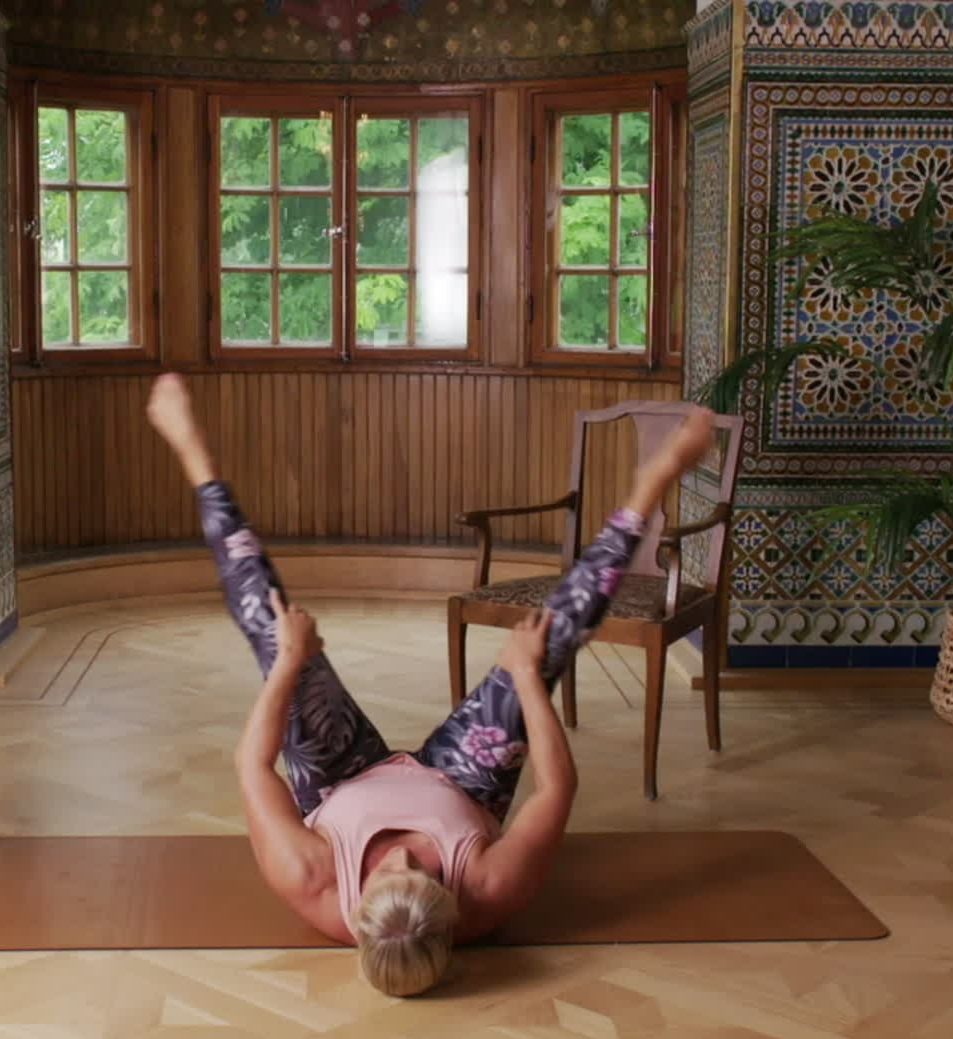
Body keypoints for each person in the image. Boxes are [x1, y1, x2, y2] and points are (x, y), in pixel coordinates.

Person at [144, 374, 716, 997]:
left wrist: (288, 662)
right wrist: (526, 677)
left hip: (340, 779)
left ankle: (193, 454)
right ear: (453, 910)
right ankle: (651, 485)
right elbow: (558, 787)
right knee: (550, 643)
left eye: (389, 873)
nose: (404, 855)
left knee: (270, 629)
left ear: (356, 909)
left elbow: (251, 766)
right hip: (464, 782)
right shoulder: (489, 890)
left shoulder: (308, 876)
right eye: (423, 873)